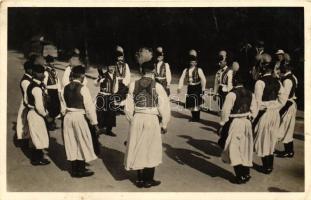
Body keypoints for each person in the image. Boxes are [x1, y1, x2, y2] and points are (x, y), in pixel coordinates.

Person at [124, 47, 170, 188]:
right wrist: (164, 124)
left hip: (137, 117)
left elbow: (127, 107)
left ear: (141, 71)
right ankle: (148, 179)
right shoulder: (158, 86)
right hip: (151, 119)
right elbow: (164, 107)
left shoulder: (133, 85)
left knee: (137, 146)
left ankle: (139, 179)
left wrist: (133, 120)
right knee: (151, 148)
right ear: (154, 71)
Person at [219, 72, 258, 184]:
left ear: (235, 81)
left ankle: (240, 175)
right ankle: (246, 174)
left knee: (234, 148)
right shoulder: (251, 94)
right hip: (246, 122)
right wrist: (250, 118)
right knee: (245, 148)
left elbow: (225, 111)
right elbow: (254, 110)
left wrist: (222, 124)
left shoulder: (231, 94)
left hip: (235, 122)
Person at [62, 65, 99, 177]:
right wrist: (94, 123)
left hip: (68, 117)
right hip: (79, 117)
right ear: (82, 75)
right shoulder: (83, 88)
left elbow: (63, 105)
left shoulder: (65, 87)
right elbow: (89, 108)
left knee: (71, 142)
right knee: (82, 141)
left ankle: (74, 169)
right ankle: (81, 169)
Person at [253, 54, 285, 174]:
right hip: (275, 113)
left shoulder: (259, 83)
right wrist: (275, 106)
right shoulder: (277, 82)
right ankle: (269, 166)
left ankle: (266, 166)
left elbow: (257, 102)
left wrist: (255, 115)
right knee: (271, 138)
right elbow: (283, 99)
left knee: (263, 139)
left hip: (264, 113)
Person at [26, 64, 52, 165]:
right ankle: (37, 159)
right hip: (36, 114)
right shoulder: (36, 88)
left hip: (32, 112)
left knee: (36, 136)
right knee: (38, 136)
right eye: (42, 73)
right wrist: (46, 116)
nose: (44, 75)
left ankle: (36, 158)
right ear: (36, 73)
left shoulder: (32, 85)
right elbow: (39, 107)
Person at [177, 49, 206, 122]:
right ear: (189, 62)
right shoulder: (186, 70)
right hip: (190, 87)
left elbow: (203, 79)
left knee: (196, 103)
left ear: (196, 63)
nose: (192, 63)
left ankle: (197, 117)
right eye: (191, 62)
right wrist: (179, 87)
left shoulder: (199, 69)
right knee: (191, 103)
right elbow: (181, 78)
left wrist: (203, 89)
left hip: (197, 87)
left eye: (194, 62)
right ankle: (193, 117)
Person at [277, 62, 298, 158]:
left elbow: (284, 96)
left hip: (288, 105)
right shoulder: (292, 77)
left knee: (286, 127)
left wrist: (280, 109)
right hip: (290, 104)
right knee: (288, 128)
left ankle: (288, 151)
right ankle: (289, 151)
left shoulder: (287, 80)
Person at [95, 63, 119, 137]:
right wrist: (100, 79)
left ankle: (109, 130)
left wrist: (113, 94)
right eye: (110, 66)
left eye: (113, 67)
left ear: (115, 68)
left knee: (111, 113)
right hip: (102, 95)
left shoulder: (115, 77)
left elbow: (116, 88)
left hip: (110, 96)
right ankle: (100, 129)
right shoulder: (103, 75)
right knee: (101, 112)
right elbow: (95, 84)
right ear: (107, 67)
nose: (111, 68)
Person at [43, 55, 62, 130]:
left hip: (55, 92)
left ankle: (52, 121)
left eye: (53, 61)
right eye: (51, 62)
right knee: (50, 107)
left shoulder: (55, 71)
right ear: (47, 63)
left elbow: (57, 81)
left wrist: (59, 90)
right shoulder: (46, 72)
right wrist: (46, 93)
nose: (53, 63)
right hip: (50, 92)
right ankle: (49, 123)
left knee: (56, 107)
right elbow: (44, 84)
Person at [16, 61, 33, 141]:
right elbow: (27, 94)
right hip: (27, 102)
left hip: (28, 101)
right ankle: (22, 137)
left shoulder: (30, 78)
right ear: (29, 69)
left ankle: (26, 136)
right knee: (24, 120)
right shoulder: (26, 80)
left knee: (26, 121)